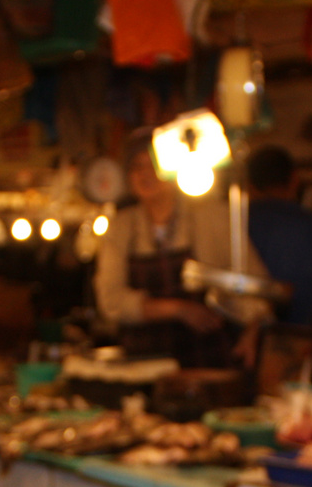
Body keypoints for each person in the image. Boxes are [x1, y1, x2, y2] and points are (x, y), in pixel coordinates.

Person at [93, 134, 269, 366]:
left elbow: (256, 287)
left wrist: (252, 333)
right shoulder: (121, 226)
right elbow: (110, 301)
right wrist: (178, 309)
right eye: (137, 166)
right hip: (141, 363)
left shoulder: (211, 216)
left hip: (208, 361)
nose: (145, 174)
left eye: (154, 165)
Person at [245, 145, 312, 327]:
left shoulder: (235, 222)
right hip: (301, 337)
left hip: (241, 337)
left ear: (249, 185)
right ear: (294, 180)